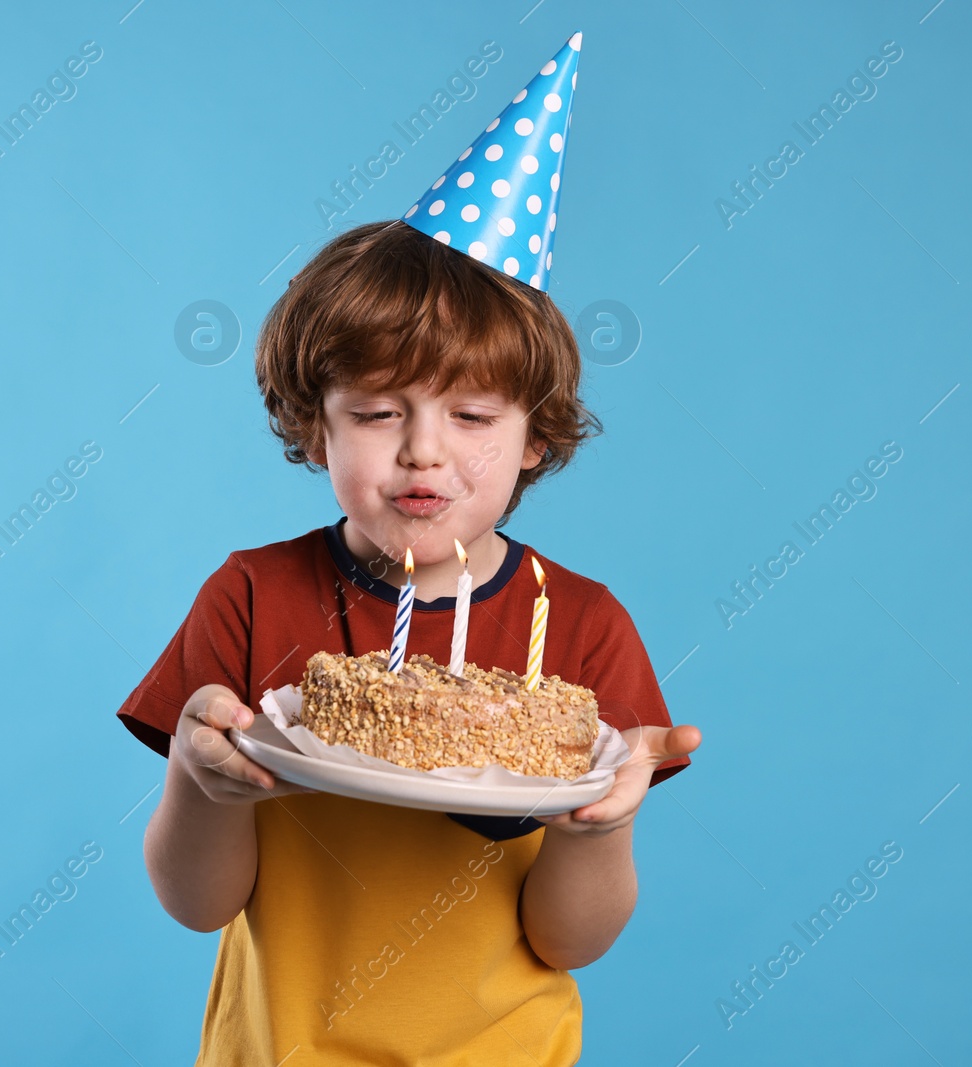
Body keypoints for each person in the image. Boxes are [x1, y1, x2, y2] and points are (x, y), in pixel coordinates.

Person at [113, 33, 702, 1066]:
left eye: (473, 412)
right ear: (315, 426)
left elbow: (570, 938)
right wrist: (202, 780)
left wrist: (600, 824)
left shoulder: (581, 625)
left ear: (537, 435)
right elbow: (197, 904)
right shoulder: (254, 594)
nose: (423, 450)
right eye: (379, 410)